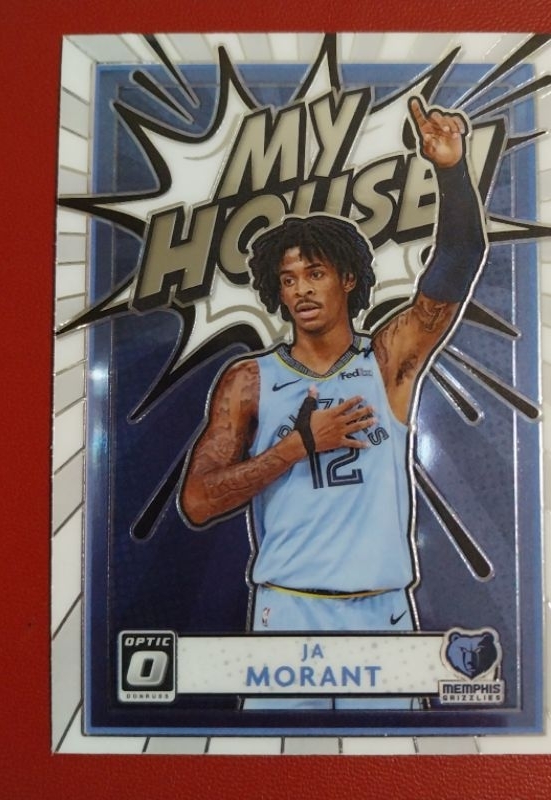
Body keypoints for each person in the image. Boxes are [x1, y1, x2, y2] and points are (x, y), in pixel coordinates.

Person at [180, 97, 486, 709]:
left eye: (315, 273)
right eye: (288, 279)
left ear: (347, 278)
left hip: (382, 611)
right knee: (281, 758)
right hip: (286, 609)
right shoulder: (249, 380)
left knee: (390, 759)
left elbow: (458, 261)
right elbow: (198, 501)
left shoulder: (387, 361)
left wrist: (451, 171)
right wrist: (295, 448)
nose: (300, 290)